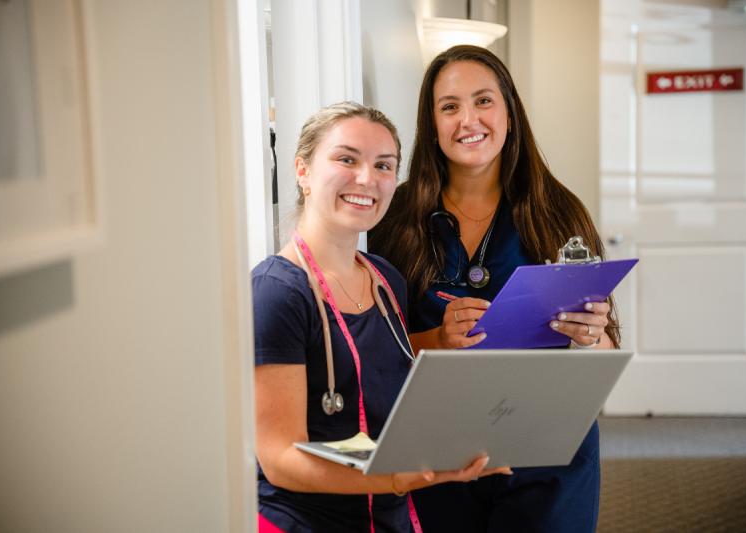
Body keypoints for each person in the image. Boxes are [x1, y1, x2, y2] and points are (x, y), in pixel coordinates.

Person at [369, 45, 619, 532]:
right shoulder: (393, 219)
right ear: (431, 122)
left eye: (483, 101)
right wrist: (437, 341)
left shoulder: (558, 211)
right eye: (449, 106)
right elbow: (372, 352)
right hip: (436, 452)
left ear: (509, 112)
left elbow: (605, 350)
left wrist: (590, 336)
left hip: (548, 449)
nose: (468, 120)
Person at [252, 101, 509, 533]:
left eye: (384, 165)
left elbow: (391, 405)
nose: (367, 179)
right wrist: (395, 478)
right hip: (304, 523)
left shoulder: (386, 280)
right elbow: (279, 460)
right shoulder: (278, 291)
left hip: (389, 518)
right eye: (346, 159)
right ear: (302, 171)